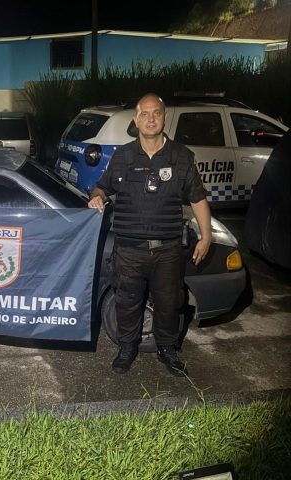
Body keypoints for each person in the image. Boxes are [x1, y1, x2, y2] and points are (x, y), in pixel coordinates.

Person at [88, 93, 211, 376]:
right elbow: (102, 187)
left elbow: (198, 198)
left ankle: (167, 349)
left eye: (156, 113)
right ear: (136, 120)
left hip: (167, 249)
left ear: (164, 117)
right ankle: (127, 348)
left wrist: (206, 236)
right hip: (129, 249)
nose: (151, 119)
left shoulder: (181, 156)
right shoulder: (122, 156)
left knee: (169, 303)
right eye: (144, 114)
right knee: (127, 302)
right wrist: (97, 197)